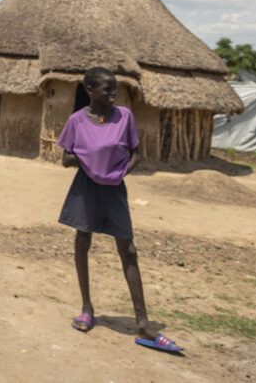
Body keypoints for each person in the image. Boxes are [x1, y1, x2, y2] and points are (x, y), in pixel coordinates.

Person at [57, 66, 184, 353]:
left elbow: (136, 153)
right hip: (86, 188)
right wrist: (91, 163)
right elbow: (66, 158)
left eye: (115, 88)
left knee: (128, 250)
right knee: (82, 242)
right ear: (90, 90)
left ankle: (142, 323)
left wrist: (118, 173)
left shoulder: (124, 116)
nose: (113, 93)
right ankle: (87, 307)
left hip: (115, 189)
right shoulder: (77, 121)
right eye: (107, 88)